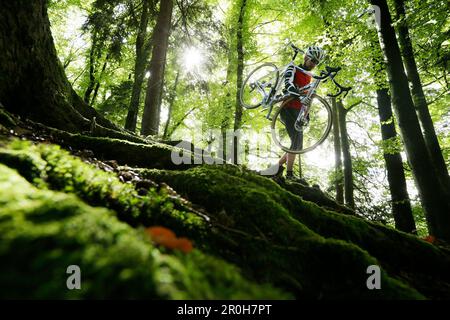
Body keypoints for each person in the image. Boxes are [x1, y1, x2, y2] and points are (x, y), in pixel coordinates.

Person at [260, 45, 326, 179]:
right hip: (287, 108)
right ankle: (289, 175)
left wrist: (306, 115)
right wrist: (295, 91)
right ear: (306, 57)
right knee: (296, 141)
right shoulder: (294, 68)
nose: (314, 64)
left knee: (297, 145)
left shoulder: (309, 78)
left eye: (317, 63)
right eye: (313, 60)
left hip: (298, 111)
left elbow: (308, 100)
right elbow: (288, 83)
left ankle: (276, 169)